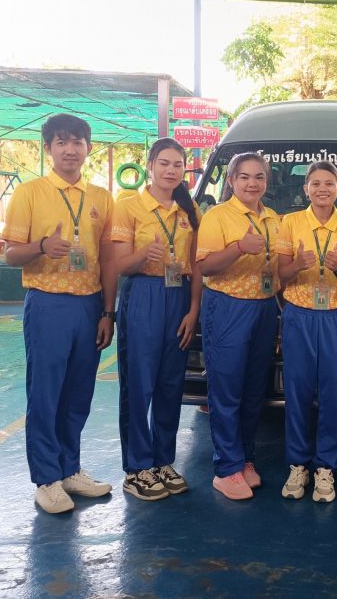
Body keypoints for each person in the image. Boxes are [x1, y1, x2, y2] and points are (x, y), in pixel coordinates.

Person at [2, 113, 116, 514]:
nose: (70, 150)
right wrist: (40, 247)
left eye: (77, 142)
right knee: (46, 393)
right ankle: (47, 479)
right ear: (48, 148)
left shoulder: (101, 197)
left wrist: (108, 312)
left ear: (88, 148)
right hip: (48, 302)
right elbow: (9, 254)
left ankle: (70, 469)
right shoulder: (30, 193)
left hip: (90, 304)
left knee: (79, 393)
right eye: (62, 142)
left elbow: (108, 259)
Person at [111, 138, 202, 501]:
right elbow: (119, 265)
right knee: (140, 383)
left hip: (179, 296)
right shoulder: (128, 207)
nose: (171, 170)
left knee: (170, 383)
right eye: (164, 163)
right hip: (144, 294)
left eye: (177, 164)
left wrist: (193, 310)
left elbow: (195, 265)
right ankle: (137, 468)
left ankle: (163, 460)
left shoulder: (188, 209)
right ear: (149, 166)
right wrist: (141, 255)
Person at [275, 161, 337, 503]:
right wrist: (297, 264)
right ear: (306, 189)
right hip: (298, 313)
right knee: (297, 390)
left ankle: (326, 466)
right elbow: (281, 274)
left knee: (333, 392)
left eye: (329, 183)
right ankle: (298, 464)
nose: (322, 188)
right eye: (315, 183)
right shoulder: (291, 222)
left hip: (334, 316)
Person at [196, 152, 281, 501]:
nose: (252, 183)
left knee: (253, 390)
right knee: (227, 389)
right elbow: (205, 266)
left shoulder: (273, 218)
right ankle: (226, 468)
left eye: (259, 177)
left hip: (264, 307)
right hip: (228, 306)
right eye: (244, 177)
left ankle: (245, 459)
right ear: (230, 181)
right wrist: (239, 248)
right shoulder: (217, 216)